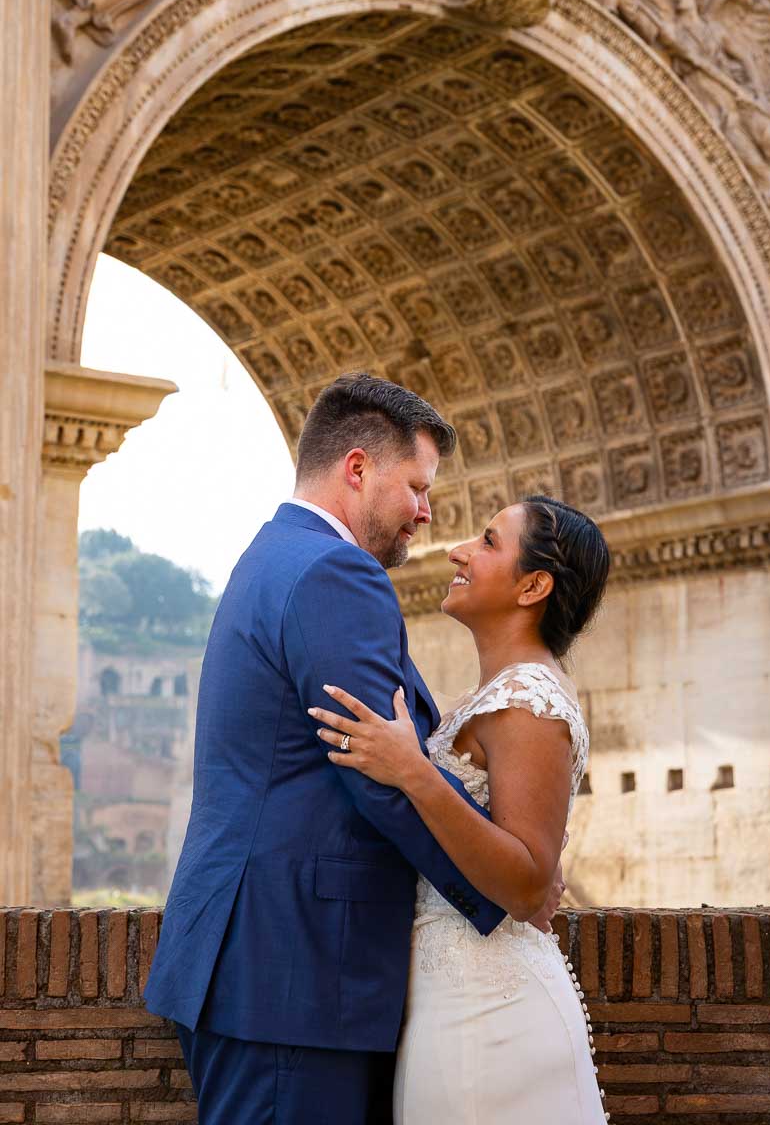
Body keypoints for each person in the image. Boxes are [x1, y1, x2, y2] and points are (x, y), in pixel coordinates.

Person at [145, 373, 564, 1124]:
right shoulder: (337, 572)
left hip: (264, 964)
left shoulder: (273, 553)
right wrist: (507, 883)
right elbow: (375, 773)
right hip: (292, 976)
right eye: (416, 486)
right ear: (359, 468)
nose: (426, 514)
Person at [311, 494, 611, 1123]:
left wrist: (415, 773)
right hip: (455, 1003)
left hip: (487, 1016)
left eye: (488, 541)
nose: (457, 551)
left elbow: (529, 886)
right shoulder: (500, 695)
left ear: (533, 586)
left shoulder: (528, 702)